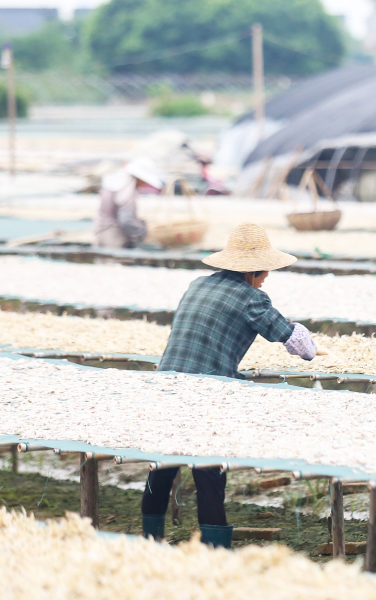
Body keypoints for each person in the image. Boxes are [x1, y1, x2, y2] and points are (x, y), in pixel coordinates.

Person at [141, 222, 319, 548]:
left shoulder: (196, 285)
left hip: (165, 386)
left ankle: (150, 541)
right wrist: (315, 347)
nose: (266, 277)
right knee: (209, 472)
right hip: (205, 395)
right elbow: (299, 345)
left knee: (162, 466)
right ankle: (215, 551)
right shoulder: (252, 299)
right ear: (253, 271)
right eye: (265, 271)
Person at [94, 157, 163, 248]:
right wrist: (143, 232)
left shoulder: (116, 181)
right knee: (113, 261)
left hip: (100, 231)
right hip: (113, 236)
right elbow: (126, 220)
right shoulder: (127, 189)